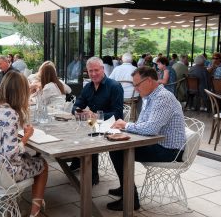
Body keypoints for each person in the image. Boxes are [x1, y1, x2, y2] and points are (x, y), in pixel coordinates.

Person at [108, 66, 186, 211]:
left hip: (170, 150)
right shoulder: (150, 96)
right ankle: (125, 187)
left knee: (118, 150)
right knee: (116, 146)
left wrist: (125, 125)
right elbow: (143, 124)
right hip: (158, 143)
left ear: (149, 81)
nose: (135, 88)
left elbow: (150, 129)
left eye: (137, 84)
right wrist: (126, 129)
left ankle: (131, 199)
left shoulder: (162, 97)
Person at [0, 71, 48, 217]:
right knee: (42, 164)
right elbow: (12, 154)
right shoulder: (10, 113)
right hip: (0, 172)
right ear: (19, 92)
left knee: (28, 156)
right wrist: (26, 137)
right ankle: (35, 213)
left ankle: (12, 204)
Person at [71, 57, 124, 186]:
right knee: (74, 134)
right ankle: (79, 165)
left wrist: (96, 115)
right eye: (90, 71)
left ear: (103, 69)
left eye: (96, 70)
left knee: (89, 138)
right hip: (93, 125)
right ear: (87, 72)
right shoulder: (88, 87)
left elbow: (118, 114)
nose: (93, 74)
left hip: (112, 127)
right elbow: (76, 106)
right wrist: (79, 111)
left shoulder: (114, 86)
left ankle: (91, 176)